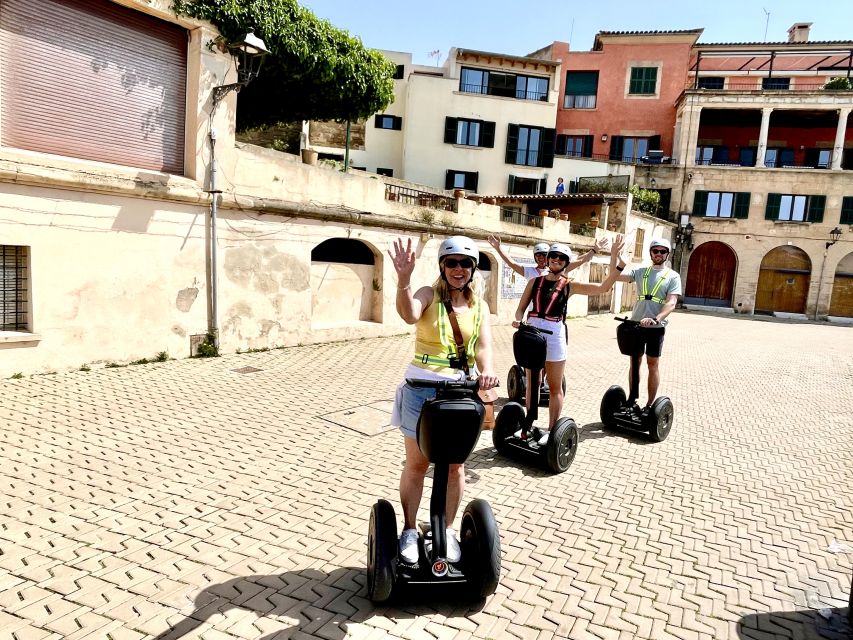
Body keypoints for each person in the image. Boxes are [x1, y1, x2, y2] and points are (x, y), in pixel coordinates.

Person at [389, 235, 499, 564]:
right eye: (452, 262)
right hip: (421, 388)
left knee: (455, 468)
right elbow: (409, 314)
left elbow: (483, 347)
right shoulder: (428, 294)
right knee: (418, 464)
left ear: (473, 269)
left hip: (462, 393)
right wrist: (404, 280)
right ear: (442, 265)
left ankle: (448, 530)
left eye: (466, 263)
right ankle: (409, 529)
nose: (458, 269)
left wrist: (488, 374)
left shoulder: (479, 305)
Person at [513, 236, 625, 442]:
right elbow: (521, 308)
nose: (555, 259)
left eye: (560, 257)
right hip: (533, 331)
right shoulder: (534, 282)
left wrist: (617, 264)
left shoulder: (569, 285)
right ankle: (528, 424)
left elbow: (602, 288)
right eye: (552, 256)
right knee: (532, 382)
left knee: (555, 385)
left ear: (566, 261)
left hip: (555, 333)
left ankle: (552, 430)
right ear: (547, 260)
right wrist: (518, 320)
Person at [613, 238, 682, 410]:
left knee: (652, 364)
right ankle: (631, 399)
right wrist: (614, 255)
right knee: (634, 362)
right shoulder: (640, 271)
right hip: (636, 326)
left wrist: (656, 319)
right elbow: (614, 276)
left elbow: (671, 302)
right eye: (655, 251)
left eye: (662, 251)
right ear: (650, 252)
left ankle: (650, 404)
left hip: (655, 328)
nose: (658, 254)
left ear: (667, 254)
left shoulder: (672, 276)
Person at [487, 234, 606, 280]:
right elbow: (511, 263)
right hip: (534, 313)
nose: (541, 258)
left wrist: (594, 250)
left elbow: (580, 260)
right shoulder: (529, 271)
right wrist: (498, 248)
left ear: (549, 256)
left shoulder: (559, 268)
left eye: (544, 255)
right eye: (537, 255)